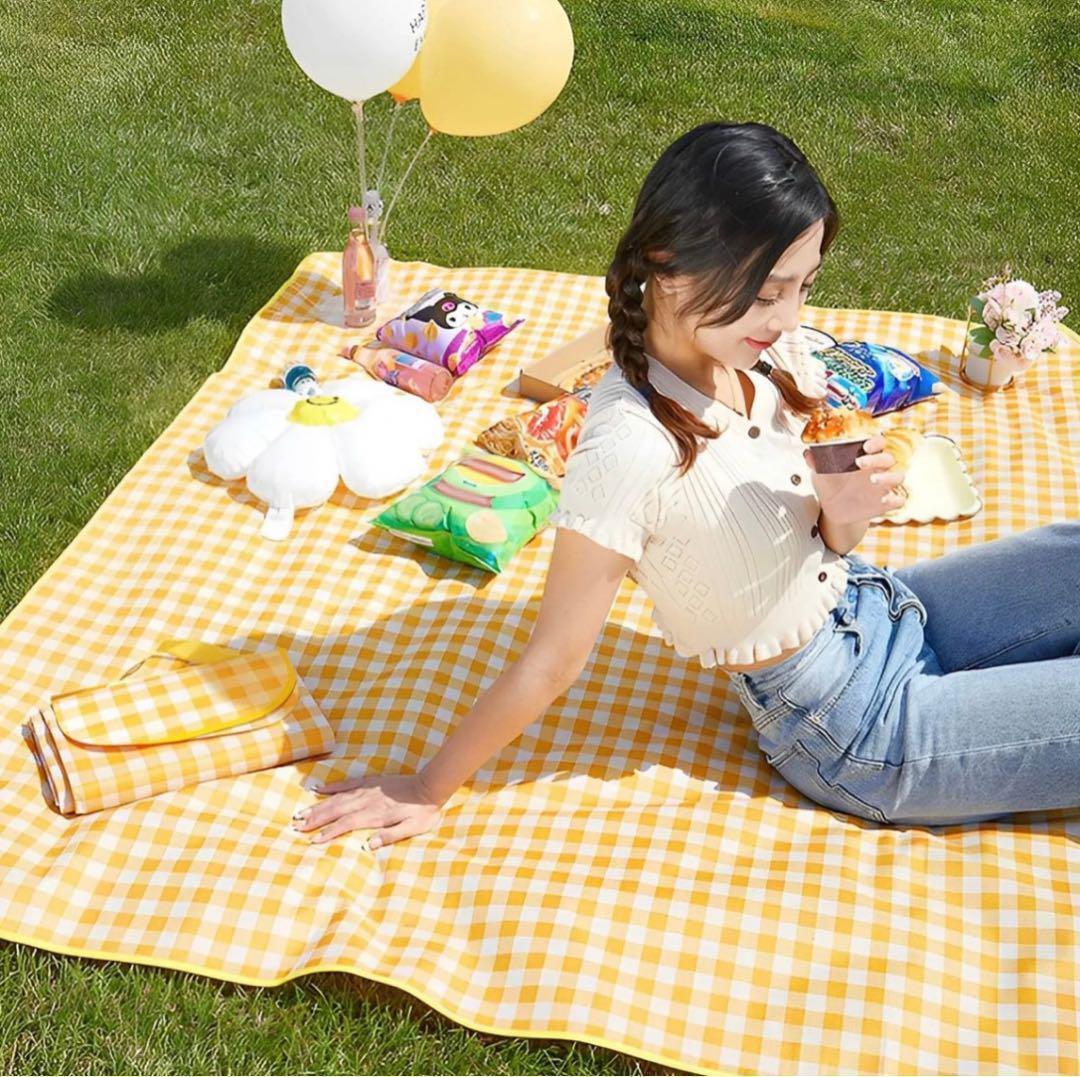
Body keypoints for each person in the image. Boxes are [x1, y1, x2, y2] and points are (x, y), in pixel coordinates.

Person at [292, 121, 1080, 848]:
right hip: (854, 726)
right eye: (768, 290)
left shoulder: (759, 354)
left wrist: (842, 517)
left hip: (887, 606)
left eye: (803, 285)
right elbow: (554, 656)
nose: (790, 313)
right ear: (667, 267)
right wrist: (429, 786)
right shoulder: (628, 448)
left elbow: (806, 544)